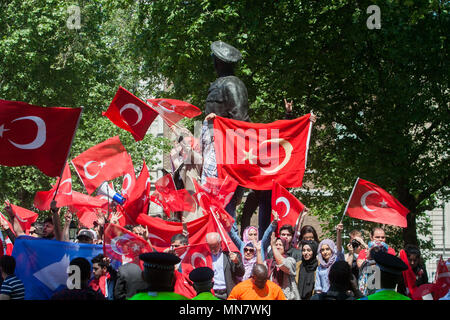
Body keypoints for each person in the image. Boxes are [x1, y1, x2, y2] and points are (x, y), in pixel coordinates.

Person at [205, 232, 245, 299]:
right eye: (210, 246)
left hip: (228, 293)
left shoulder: (230, 254)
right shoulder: (204, 256)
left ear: (220, 243)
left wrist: (237, 262)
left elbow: (241, 273)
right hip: (212, 294)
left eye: (215, 246)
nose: (212, 249)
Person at [261, 233, 299, 300]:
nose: (277, 247)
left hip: (286, 297)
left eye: (280, 245)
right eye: (276, 245)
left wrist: (273, 245)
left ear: (285, 247)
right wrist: (258, 250)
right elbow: (260, 271)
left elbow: (282, 264)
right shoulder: (269, 262)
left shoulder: (290, 261)